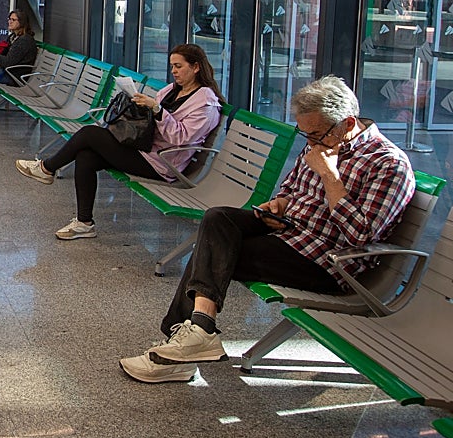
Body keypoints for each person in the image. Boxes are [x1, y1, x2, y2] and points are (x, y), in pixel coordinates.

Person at [119, 75, 415, 384]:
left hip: (327, 260)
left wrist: (330, 177)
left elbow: (362, 236)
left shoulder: (388, 164)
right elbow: (290, 190)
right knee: (219, 219)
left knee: (213, 251)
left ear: (348, 123)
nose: (310, 143)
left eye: (315, 135)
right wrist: (279, 205)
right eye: (305, 135)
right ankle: (195, 335)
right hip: (289, 233)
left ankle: (182, 346)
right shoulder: (321, 141)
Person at [14, 43, 223, 241]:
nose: (174, 72)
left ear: (195, 67)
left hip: (163, 163)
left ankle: (46, 168)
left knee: (89, 134)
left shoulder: (206, 104)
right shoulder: (173, 90)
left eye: (179, 66)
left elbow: (182, 138)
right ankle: (84, 223)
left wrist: (157, 110)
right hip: (145, 149)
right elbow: (157, 120)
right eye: (172, 67)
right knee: (85, 156)